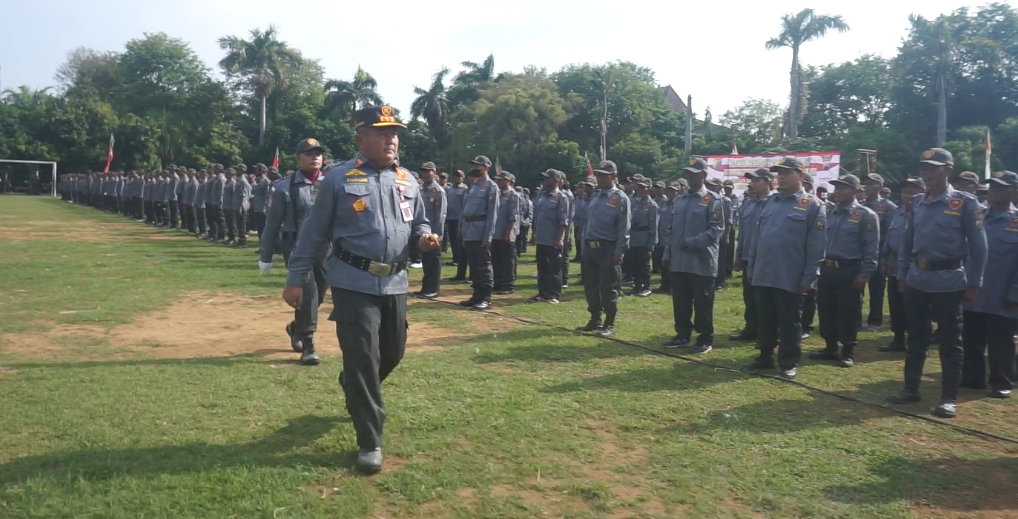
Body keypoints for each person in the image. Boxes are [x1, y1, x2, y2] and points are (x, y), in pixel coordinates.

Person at [281, 106, 436, 474]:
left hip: (395, 282)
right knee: (364, 357)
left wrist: (424, 236)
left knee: (392, 352)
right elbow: (313, 232)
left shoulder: (407, 180)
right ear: (361, 138)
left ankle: (353, 383)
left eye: (394, 133)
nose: (391, 139)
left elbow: (419, 220)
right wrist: (295, 278)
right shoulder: (338, 178)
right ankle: (370, 440)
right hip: (352, 281)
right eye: (382, 133)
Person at [887, 148, 987, 419]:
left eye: (933, 167)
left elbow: (979, 246)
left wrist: (974, 282)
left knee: (950, 342)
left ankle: (948, 398)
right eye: (924, 167)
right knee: (916, 337)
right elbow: (908, 242)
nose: (927, 172)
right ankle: (910, 389)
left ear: (948, 170)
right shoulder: (917, 202)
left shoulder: (965, 203)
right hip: (917, 279)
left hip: (949, 281)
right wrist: (902, 274)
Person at [745, 158, 827, 379]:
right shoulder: (770, 202)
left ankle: (788, 362)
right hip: (764, 272)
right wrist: (751, 266)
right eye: (779, 173)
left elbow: (817, 247)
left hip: (790, 274)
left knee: (790, 321)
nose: (780, 177)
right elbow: (757, 238)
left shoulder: (813, 205)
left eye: (786, 173)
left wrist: (809, 277)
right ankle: (765, 356)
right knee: (765, 318)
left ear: (800, 176)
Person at [261, 139, 333, 367]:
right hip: (296, 248)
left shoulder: (331, 183)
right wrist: (265, 255)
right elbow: (272, 224)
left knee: (319, 294)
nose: (315, 157)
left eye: (318, 154)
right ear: (298, 158)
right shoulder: (284, 186)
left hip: (325, 247)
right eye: (309, 154)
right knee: (308, 293)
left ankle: (296, 327)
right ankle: (308, 344)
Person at [809, 174, 879, 368]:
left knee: (849, 311)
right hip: (826, 267)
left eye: (843, 187)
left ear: (856, 191)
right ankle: (830, 347)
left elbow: (872, 248)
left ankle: (848, 350)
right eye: (837, 187)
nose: (838, 191)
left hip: (850, 269)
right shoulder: (828, 212)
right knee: (826, 309)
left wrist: (865, 274)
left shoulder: (866, 215)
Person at [960, 170, 1018, 398]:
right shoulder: (976, 216)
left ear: (1014, 191)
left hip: (1002, 294)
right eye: (992, 186)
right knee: (971, 338)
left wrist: (1015, 293)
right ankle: (972, 377)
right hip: (972, 291)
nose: (994, 191)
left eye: (1001, 187)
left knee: (1001, 341)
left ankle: (1001, 382)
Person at [661, 159, 725, 354]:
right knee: (681, 300)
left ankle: (704, 338)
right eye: (688, 173)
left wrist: (692, 242)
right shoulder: (680, 199)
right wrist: (668, 252)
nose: (689, 177)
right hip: (679, 261)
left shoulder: (712, 199)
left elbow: (716, 230)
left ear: (704, 175)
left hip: (701, 261)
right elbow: (671, 230)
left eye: (694, 173)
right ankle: (683, 334)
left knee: (702, 301)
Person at [578, 160, 630, 337]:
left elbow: (624, 228)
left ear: (614, 176)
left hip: (608, 248)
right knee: (591, 286)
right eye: (599, 175)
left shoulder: (620, 198)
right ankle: (595, 319)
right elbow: (587, 222)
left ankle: (609, 323)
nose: (600, 178)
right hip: (591, 247)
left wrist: (619, 251)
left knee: (608, 287)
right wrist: (584, 245)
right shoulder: (596, 196)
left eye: (604, 175)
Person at [880, 178, 926, 352]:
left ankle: (919, 341)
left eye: (913, 192)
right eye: (905, 192)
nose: (908, 196)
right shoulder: (896, 213)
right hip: (894, 265)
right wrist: (884, 260)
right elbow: (888, 239)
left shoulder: (925, 214)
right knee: (896, 304)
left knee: (917, 307)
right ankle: (898, 338)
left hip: (916, 266)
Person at [730, 168, 773, 342]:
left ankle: (766, 332)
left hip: (765, 259)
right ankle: (751, 329)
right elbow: (743, 232)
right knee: (749, 297)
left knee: (765, 299)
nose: (752, 184)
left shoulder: (774, 203)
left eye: (756, 181)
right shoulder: (748, 203)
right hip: (748, 257)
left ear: (768, 182)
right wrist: (738, 255)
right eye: (751, 181)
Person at [458, 156, 499, 310]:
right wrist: (462, 230)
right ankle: (476, 296)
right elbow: (465, 210)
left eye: (478, 165)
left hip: (481, 230)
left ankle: (485, 298)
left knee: (483, 265)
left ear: (486, 167)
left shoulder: (491, 186)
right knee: (474, 265)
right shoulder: (473, 186)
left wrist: (488, 235)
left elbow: (492, 214)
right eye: (474, 165)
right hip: (469, 229)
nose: (475, 168)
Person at [861, 173, 898, 332]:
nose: (867, 186)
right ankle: (855, 319)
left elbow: (890, 235)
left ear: (881, 187)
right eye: (865, 183)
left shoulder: (889, 207)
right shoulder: (859, 206)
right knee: (856, 289)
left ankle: (875, 321)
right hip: (859, 255)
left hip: (877, 255)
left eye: (871, 184)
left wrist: (884, 259)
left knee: (876, 290)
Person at [530, 169, 570, 304]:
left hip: (553, 239)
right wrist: (535, 234)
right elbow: (538, 217)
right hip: (542, 237)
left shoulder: (561, 197)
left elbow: (563, 221)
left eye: (548, 178)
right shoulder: (541, 196)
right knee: (542, 268)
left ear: (557, 180)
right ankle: (543, 293)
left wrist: (559, 239)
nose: (545, 180)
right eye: (544, 178)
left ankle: (553, 294)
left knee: (554, 268)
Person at [416, 162, 446, 299]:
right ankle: (426, 287)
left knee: (433, 262)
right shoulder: (421, 189)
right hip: (423, 231)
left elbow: (441, 215)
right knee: (426, 261)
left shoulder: (438, 191)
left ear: (434, 172)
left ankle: (433, 289)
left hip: (433, 233)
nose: (426, 174)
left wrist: (437, 235)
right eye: (424, 171)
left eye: (428, 171)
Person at [628, 178, 658, 297]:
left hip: (644, 237)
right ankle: (637, 285)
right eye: (639, 187)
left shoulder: (652, 205)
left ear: (649, 189)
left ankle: (646, 287)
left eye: (643, 188)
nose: (641, 190)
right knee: (634, 264)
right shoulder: (636, 202)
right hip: (634, 238)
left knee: (644, 265)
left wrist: (651, 243)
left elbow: (654, 226)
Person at [492, 171, 521, 295]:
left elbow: (513, 216)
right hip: (496, 232)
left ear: (507, 181)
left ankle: (508, 285)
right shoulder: (497, 194)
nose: (497, 182)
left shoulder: (513, 195)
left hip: (506, 232)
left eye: (500, 180)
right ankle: (498, 283)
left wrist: (508, 232)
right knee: (496, 259)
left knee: (507, 260)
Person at [654, 182, 680, 294]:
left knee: (672, 264)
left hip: (673, 238)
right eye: (669, 191)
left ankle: (673, 286)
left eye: (673, 191)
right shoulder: (663, 204)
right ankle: (664, 284)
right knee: (663, 263)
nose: (670, 193)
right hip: (662, 237)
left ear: (677, 192)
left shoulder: (679, 204)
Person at [446, 170, 468, 273]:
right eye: (455, 176)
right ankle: (455, 258)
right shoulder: (450, 189)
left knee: (458, 241)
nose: (456, 178)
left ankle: (459, 259)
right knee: (452, 241)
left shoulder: (464, 189)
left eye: (459, 176)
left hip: (459, 218)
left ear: (463, 178)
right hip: (450, 217)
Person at [251, 164, 270, 241]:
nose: (255, 171)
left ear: (261, 170)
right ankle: (261, 243)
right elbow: (253, 192)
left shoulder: (266, 181)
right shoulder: (258, 181)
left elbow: (268, 195)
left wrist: (265, 207)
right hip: (257, 207)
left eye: (257, 169)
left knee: (263, 227)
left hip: (263, 208)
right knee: (259, 227)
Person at [516, 187, 533, 258]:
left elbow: (526, 212)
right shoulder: (527, 200)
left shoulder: (525, 200)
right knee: (522, 237)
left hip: (524, 221)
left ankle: (520, 250)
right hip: (525, 221)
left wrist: (522, 220)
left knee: (520, 237)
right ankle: (520, 249)